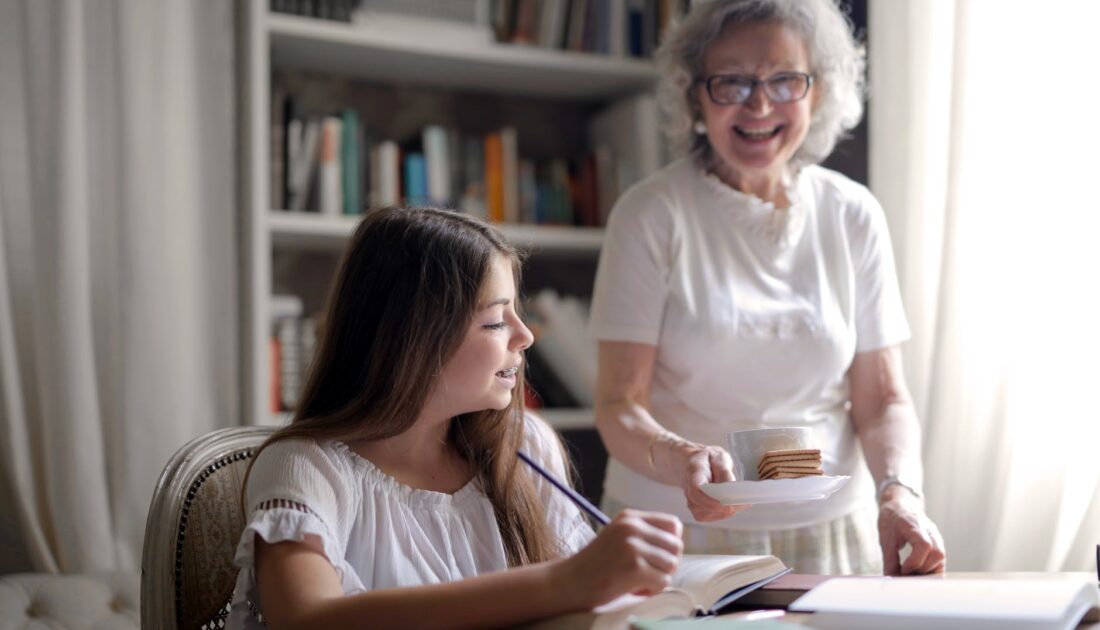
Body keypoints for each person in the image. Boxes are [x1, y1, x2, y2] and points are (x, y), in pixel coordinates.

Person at [589, 0, 946, 576]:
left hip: (830, 528)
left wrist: (900, 492)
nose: (758, 105)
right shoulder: (650, 214)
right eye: (731, 82)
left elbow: (881, 401)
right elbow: (617, 405)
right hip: (676, 529)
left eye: (785, 80)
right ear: (695, 94)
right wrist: (679, 458)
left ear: (818, 91)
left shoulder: (853, 214)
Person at [227, 207, 684, 629]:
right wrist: (564, 582)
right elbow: (306, 620)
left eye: (516, 313)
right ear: (412, 339)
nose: (525, 336)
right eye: (494, 322)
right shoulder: (308, 469)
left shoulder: (526, 448)